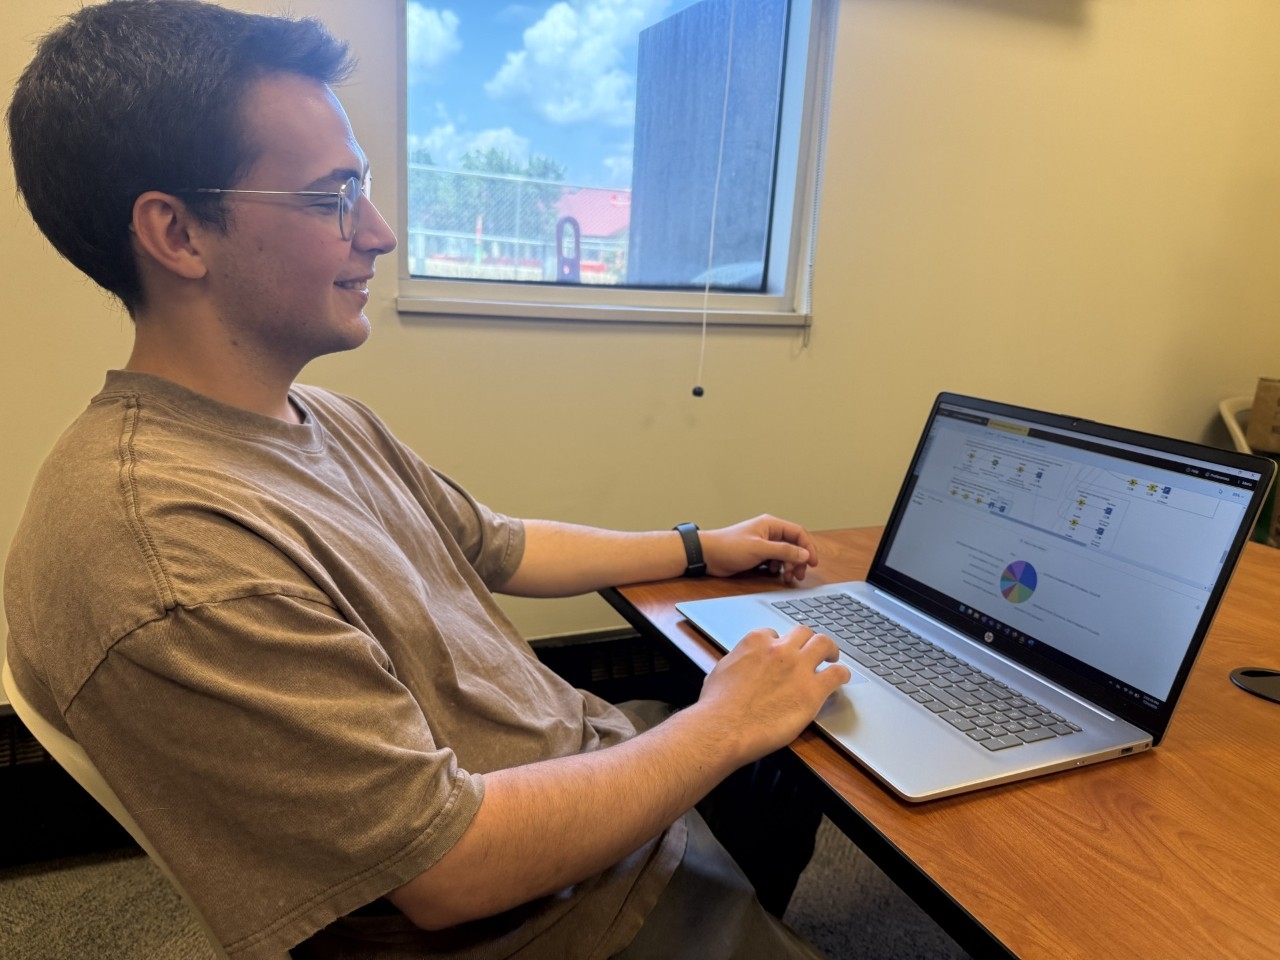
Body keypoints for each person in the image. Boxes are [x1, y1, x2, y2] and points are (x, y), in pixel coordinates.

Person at [3, 2, 851, 958]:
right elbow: (453, 872)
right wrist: (720, 726)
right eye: (330, 199)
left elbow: (501, 543)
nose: (379, 232)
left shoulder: (318, 418)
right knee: (773, 732)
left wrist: (702, 546)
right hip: (553, 915)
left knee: (807, 739)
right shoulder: (166, 548)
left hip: (572, 771)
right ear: (177, 234)